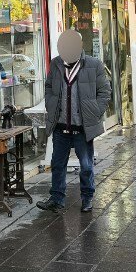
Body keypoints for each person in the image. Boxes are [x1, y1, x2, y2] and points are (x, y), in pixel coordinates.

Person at [37, 30, 112, 214]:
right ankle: (57, 199)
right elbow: (49, 87)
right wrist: (51, 104)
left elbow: (105, 91)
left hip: (83, 127)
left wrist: (95, 112)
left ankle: (87, 198)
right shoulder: (56, 64)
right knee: (57, 164)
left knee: (86, 166)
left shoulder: (93, 65)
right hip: (60, 125)